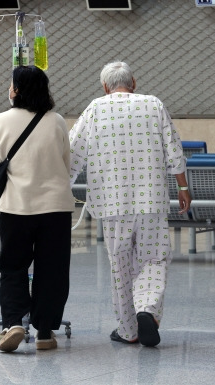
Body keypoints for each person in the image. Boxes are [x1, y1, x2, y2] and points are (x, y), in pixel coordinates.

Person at [69, 61, 191, 347]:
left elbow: (73, 152)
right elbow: (174, 148)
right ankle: (147, 310)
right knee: (154, 258)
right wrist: (183, 186)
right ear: (134, 82)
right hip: (152, 199)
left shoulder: (94, 109)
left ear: (104, 86)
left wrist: (61, 186)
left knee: (120, 263)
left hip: (111, 203)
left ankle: (128, 330)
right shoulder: (154, 105)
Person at [0, 66, 75, 353]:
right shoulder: (56, 121)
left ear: (17, 90)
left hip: (15, 207)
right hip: (55, 208)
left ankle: (14, 323)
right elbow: (66, 162)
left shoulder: (1, 120)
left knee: (13, 267)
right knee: (53, 269)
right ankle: (45, 332)